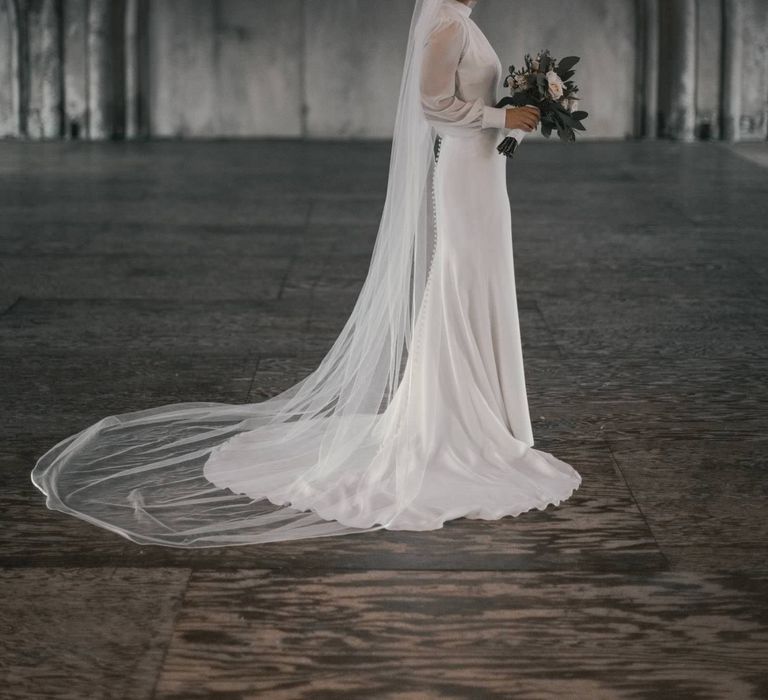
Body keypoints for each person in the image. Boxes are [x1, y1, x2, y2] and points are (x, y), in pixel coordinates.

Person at [31, 0, 581, 548]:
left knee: (480, 281)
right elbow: (432, 106)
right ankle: (452, 416)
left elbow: (473, 97)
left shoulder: (463, 20)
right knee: (456, 283)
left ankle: (490, 410)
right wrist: (499, 117)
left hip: (486, 169)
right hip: (463, 167)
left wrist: (519, 112)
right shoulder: (444, 24)